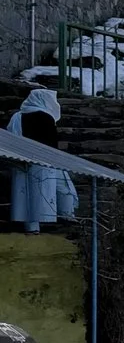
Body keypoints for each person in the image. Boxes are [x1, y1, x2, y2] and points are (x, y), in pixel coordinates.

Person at [7, 87, 76, 234]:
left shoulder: (17, 116)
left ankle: (33, 228)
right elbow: (51, 143)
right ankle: (67, 217)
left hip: (20, 160)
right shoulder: (45, 118)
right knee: (55, 190)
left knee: (26, 197)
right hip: (44, 162)